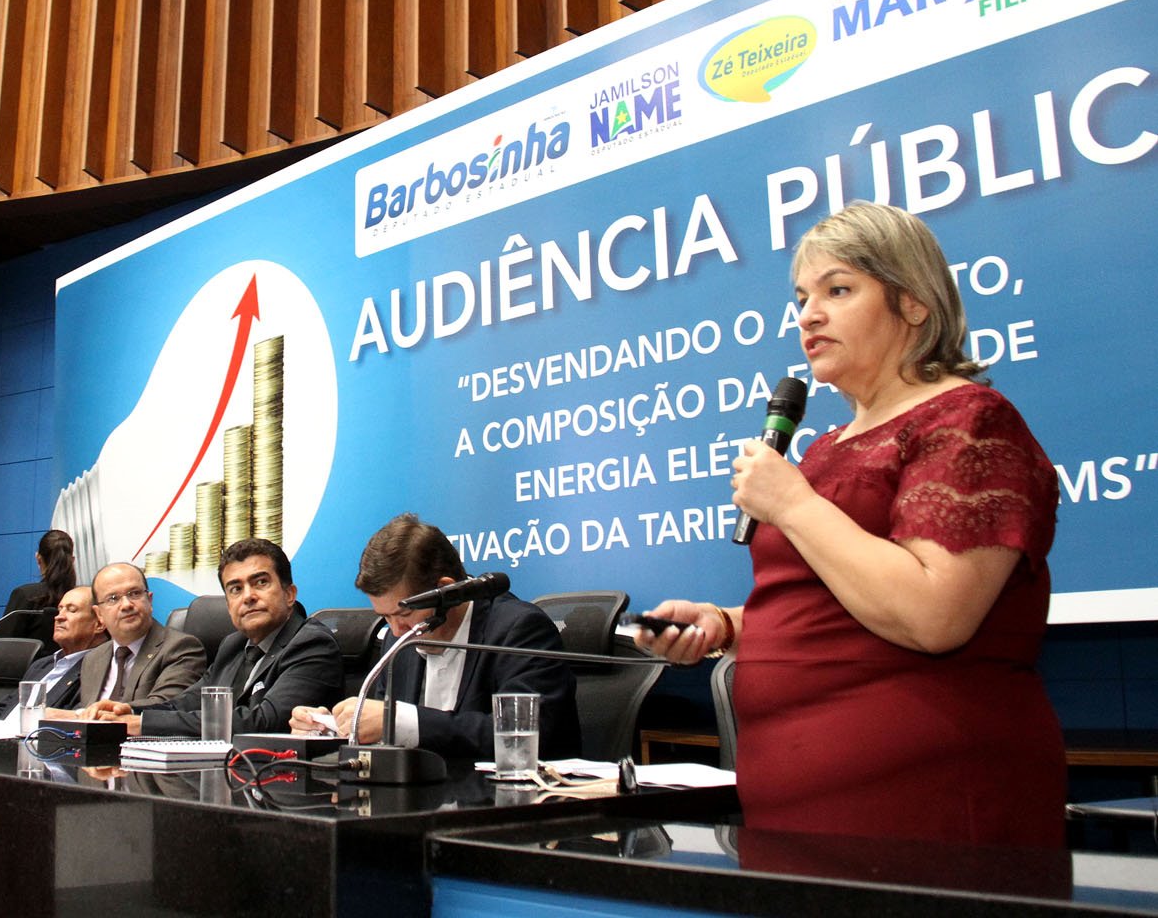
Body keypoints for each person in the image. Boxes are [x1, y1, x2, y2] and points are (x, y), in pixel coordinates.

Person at [635, 202, 1065, 847]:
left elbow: (933, 615)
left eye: (837, 290)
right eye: (802, 298)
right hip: (790, 805)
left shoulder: (969, 420)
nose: (809, 315)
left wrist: (794, 505)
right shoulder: (826, 448)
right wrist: (724, 625)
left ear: (913, 302)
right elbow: (831, 607)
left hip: (926, 808)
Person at [290, 513, 581, 760]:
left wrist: (399, 721)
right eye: (386, 617)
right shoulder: (399, 641)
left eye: (404, 614)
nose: (396, 630)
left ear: (447, 590)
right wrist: (333, 728)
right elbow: (381, 738)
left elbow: (524, 739)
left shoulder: (518, 629)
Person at [86, 538, 343, 736]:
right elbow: (187, 702)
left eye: (261, 582)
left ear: (289, 594)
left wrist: (142, 724)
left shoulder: (311, 644)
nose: (248, 596)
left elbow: (264, 721)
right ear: (228, 605)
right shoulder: (233, 645)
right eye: (235, 589)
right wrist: (131, 710)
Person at [51, 562, 205, 717]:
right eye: (113, 598)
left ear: (149, 600)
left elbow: (167, 707)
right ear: (99, 614)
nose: (126, 605)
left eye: (135, 594)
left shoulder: (181, 648)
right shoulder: (93, 658)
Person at [0, 585, 108, 720]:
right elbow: (4, 708)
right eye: (60, 609)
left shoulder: (100, 671)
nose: (59, 617)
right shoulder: (40, 665)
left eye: (72, 610)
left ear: (99, 624)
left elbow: (82, 720)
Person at [0, 530, 77, 657]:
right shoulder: (84, 599)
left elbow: (0, 649)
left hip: (29, 669)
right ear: (72, 560)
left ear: (38, 558)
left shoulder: (25, 595)